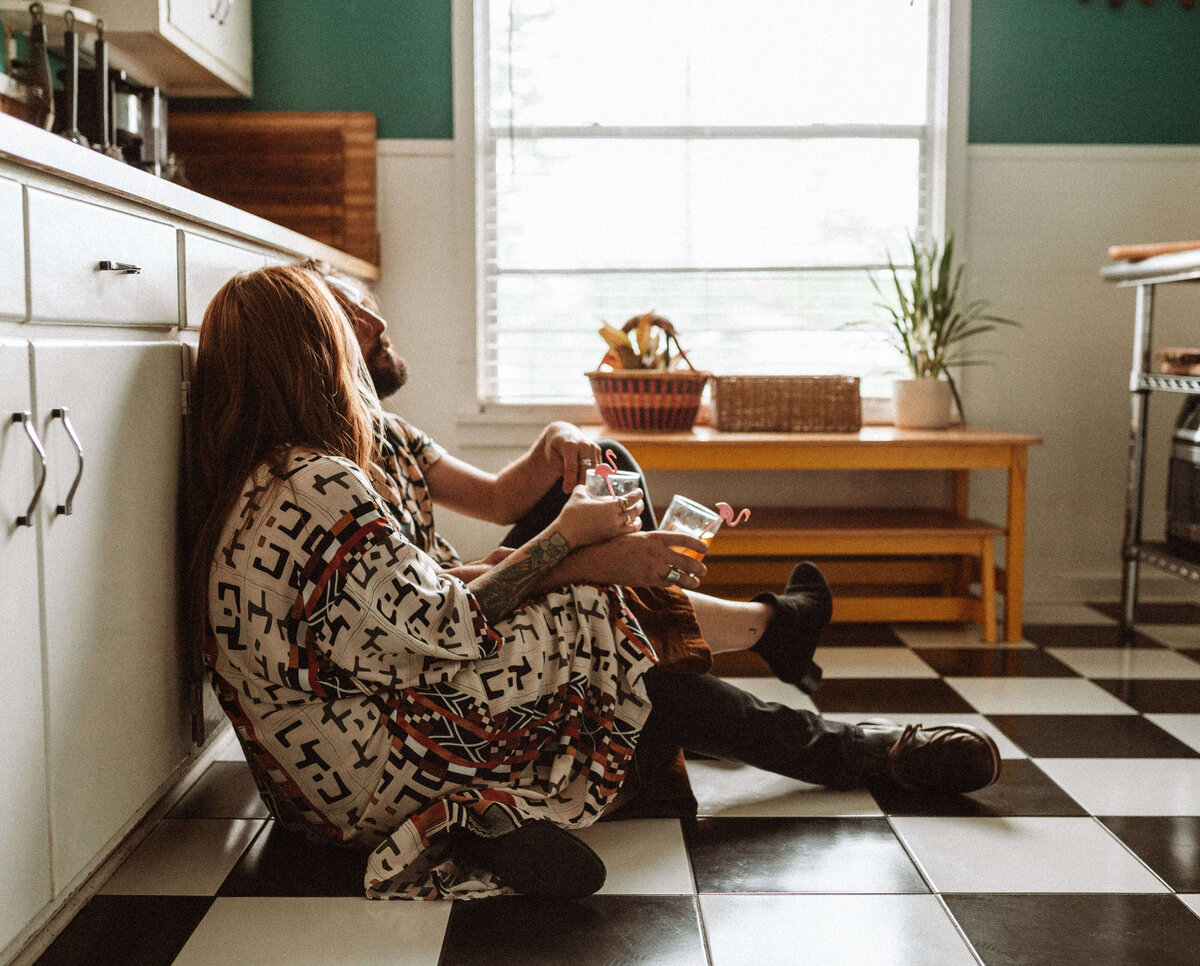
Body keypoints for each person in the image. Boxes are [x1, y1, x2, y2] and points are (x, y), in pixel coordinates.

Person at [184, 265, 1001, 902]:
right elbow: (446, 622)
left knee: (610, 607)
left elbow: (420, 598)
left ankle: (751, 704)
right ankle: (836, 718)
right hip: (382, 769)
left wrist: (572, 527)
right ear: (313, 353)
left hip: (316, 793)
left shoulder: (274, 476)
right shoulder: (322, 482)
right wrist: (582, 552)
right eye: (342, 316)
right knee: (606, 627)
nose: (369, 322)